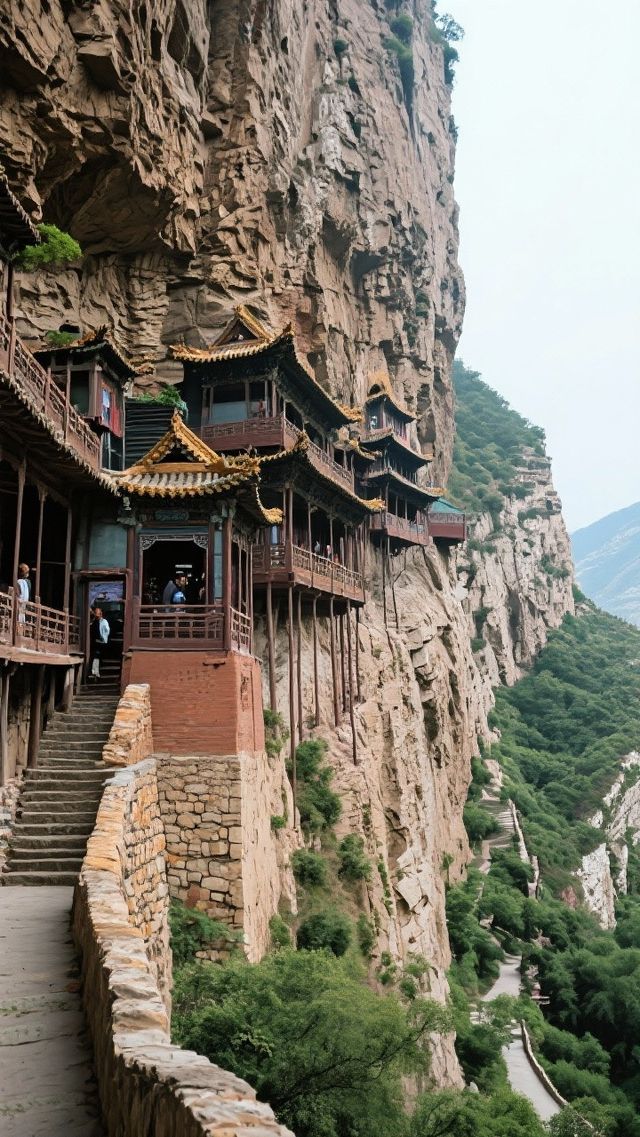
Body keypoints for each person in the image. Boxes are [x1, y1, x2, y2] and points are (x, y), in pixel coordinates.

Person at [89, 606, 110, 679]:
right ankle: (94, 672)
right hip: (94, 641)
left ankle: (96, 672)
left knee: (97, 656)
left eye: (97, 613)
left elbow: (107, 631)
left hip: (100, 641)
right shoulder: (93, 621)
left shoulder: (104, 621)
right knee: (95, 656)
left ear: (101, 614)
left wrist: (103, 637)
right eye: (95, 613)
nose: (96, 614)